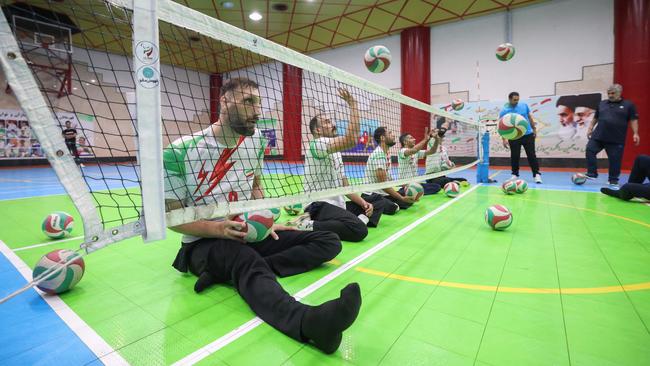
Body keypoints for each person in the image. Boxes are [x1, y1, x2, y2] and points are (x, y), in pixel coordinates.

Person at [163, 78, 361, 354]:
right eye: (248, 102)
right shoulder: (179, 150)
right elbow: (171, 218)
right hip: (202, 243)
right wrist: (218, 230)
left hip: (245, 231)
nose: (257, 110)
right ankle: (308, 322)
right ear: (224, 101)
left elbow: (256, 186)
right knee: (243, 259)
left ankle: (232, 272)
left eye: (258, 102)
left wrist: (265, 220)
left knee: (327, 241)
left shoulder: (255, 142)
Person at [295, 88, 387, 242]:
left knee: (377, 201)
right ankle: (306, 224)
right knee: (359, 230)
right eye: (327, 122)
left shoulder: (336, 151)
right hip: (318, 205)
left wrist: (363, 203)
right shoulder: (317, 144)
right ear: (317, 130)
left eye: (331, 120)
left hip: (337, 204)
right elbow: (351, 140)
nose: (333, 124)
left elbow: (344, 184)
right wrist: (353, 104)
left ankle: (346, 220)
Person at [586, 84, 640, 187]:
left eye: (613, 93)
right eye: (609, 93)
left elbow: (633, 120)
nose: (610, 95)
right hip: (598, 136)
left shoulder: (628, 105)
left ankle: (613, 180)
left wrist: (635, 133)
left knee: (615, 160)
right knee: (590, 150)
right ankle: (592, 173)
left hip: (616, 138)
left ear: (620, 93)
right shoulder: (602, 104)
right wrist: (590, 128)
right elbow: (595, 118)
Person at [363, 127, 416, 212]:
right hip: (371, 194)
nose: (393, 135)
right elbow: (383, 184)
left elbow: (388, 180)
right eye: (390, 133)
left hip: (382, 192)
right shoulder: (379, 155)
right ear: (382, 138)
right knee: (394, 208)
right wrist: (401, 198)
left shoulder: (386, 154)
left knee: (408, 200)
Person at [500, 91, 542, 183]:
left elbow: (530, 117)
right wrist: (504, 139)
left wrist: (534, 129)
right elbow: (501, 126)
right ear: (509, 99)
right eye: (515, 100)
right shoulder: (504, 110)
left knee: (531, 155)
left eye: (518, 100)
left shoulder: (524, 105)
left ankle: (536, 174)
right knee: (515, 156)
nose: (516, 101)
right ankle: (514, 175)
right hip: (514, 136)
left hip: (528, 134)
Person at [397, 129, 441, 195]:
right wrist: (426, 139)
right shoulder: (402, 151)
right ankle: (411, 192)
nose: (414, 139)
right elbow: (414, 150)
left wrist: (436, 139)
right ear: (405, 142)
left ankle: (416, 192)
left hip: (415, 183)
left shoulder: (416, 152)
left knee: (437, 186)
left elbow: (432, 151)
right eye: (411, 138)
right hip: (405, 184)